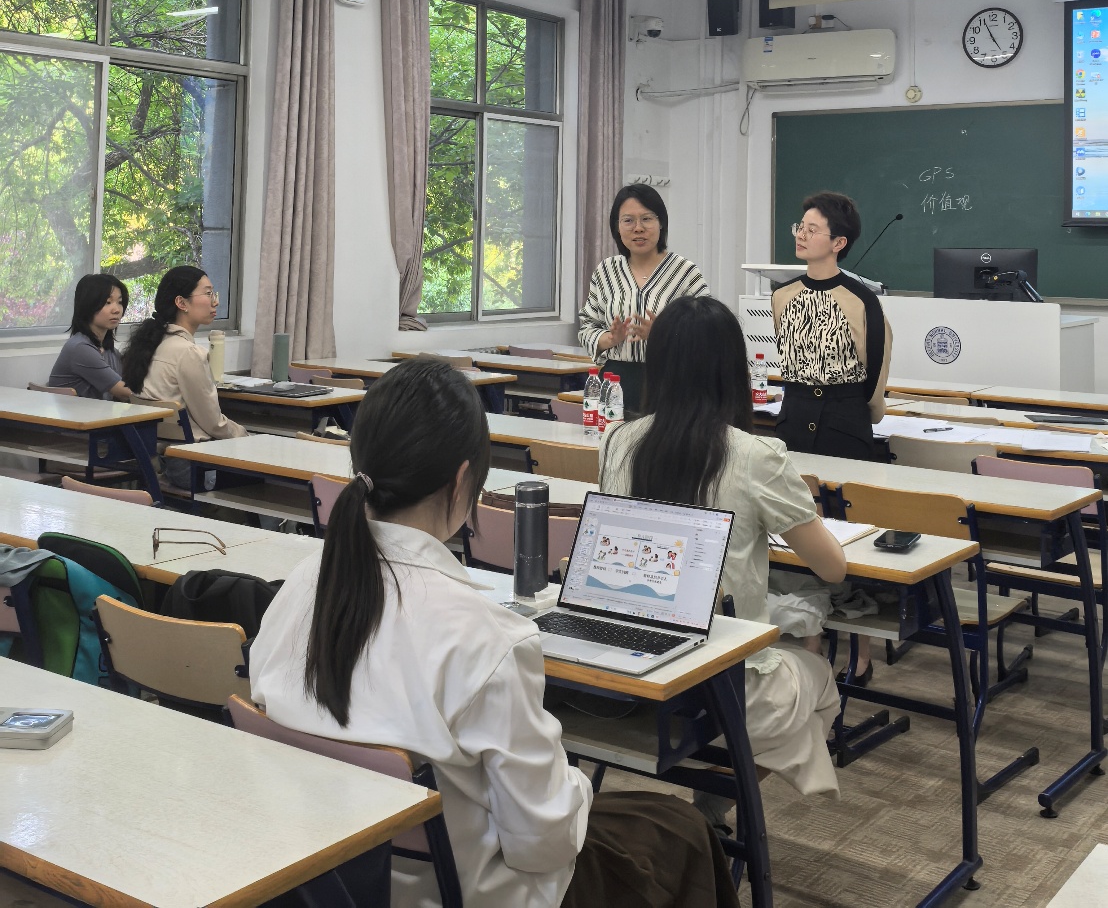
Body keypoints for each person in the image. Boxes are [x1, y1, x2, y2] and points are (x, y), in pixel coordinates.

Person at [250, 360, 739, 908]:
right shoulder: (488, 638)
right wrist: (576, 784)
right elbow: (543, 845)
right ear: (463, 480)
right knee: (679, 828)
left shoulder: (301, 585)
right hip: (466, 893)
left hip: (325, 879)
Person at [599, 296, 846, 806]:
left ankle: (711, 810)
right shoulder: (757, 455)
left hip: (635, 660)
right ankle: (719, 805)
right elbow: (833, 567)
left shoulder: (617, 440)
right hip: (723, 680)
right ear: (733, 370)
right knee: (819, 674)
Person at [772, 192, 892, 460]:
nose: (801, 235)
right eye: (800, 227)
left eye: (812, 230)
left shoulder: (863, 301)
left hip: (845, 428)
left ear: (838, 242)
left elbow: (876, 373)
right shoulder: (781, 296)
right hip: (792, 422)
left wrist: (861, 413)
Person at [578, 184, 709, 413]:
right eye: (628, 221)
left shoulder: (685, 272)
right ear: (617, 227)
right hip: (616, 381)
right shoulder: (606, 271)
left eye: (647, 219)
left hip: (670, 381)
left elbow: (708, 332)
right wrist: (610, 338)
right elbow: (587, 326)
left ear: (661, 223)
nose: (638, 228)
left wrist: (663, 335)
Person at [120, 266, 245, 442]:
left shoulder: (151, 343)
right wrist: (248, 437)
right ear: (181, 303)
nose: (215, 302)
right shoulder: (189, 353)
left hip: (155, 447)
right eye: (208, 294)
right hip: (191, 452)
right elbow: (215, 424)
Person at [47, 273, 132, 401]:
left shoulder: (110, 351)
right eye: (107, 302)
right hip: (74, 413)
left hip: (95, 413)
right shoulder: (80, 348)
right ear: (88, 305)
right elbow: (124, 391)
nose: (117, 310)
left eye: (120, 302)